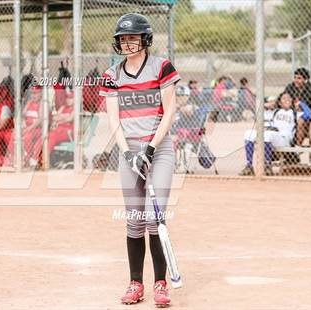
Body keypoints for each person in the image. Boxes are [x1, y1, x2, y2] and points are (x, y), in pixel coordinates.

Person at [99, 13, 180, 307]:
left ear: (145, 39)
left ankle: (161, 284)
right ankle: (136, 283)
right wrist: (129, 152)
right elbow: (113, 119)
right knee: (134, 221)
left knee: (154, 218)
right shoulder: (111, 75)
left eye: (132, 37)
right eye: (123, 38)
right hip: (129, 152)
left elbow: (169, 111)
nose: (127, 43)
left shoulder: (162, 67)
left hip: (159, 151)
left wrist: (149, 149)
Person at [239, 92, 311, 176]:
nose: (287, 100)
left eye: (289, 98)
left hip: (284, 139)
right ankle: (249, 166)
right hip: (272, 135)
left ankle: (267, 166)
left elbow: (309, 114)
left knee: (267, 135)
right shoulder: (274, 112)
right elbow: (259, 111)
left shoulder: (295, 113)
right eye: (284, 98)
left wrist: (300, 103)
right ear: (280, 103)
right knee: (249, 133)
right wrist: (267, 105)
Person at [28, 90, 74, 167]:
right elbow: (54, 117)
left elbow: (70, 119)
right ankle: (36, 158)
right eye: (67, 98)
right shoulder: (63, 107)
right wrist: (63, 118)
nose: (68, 100)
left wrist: (60, 118)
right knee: (45, 136)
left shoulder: (76, 109)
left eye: (71, 98)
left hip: (68, 132)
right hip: (57, 130)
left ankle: (42, 160)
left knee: (52, 136)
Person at [283, 67, 311, 145]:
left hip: (306, 119)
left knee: (300, 121)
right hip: (291, 114)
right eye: (295, 77)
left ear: (305, 80)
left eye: (299, 78)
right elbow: (282, 98)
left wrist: (303, 110)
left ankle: (297, 147)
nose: (296, 80)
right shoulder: (290, 87)